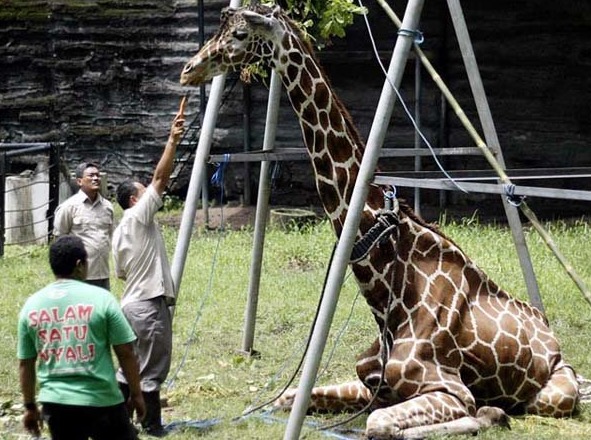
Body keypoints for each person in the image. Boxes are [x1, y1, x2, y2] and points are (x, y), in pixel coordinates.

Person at [17, 235, 145, 440]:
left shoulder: (31, 306)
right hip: (102, 400)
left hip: (56, 404)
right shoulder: (103, 299)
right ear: (79, 265)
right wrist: (137, 395)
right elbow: (126, 352)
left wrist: (30, 407)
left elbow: (25, 363)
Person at [112, 97, 186, 437]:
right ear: (133, 200)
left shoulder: (119, 231)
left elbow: (122, 273)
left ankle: (117, 423)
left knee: (128, 369)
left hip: (128, 304)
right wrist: (172, 139)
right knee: (152, 369)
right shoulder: (138, 216)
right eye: (143, 193)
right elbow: (160, 177)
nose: (151, 195)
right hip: (148, 306)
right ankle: (153, 427)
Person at [53, 162, 114, 290]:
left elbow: (109, 236)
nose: (96, 178)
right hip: (78, 275)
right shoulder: (69, 207)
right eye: (91, 175)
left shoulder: (107, 207)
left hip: (102, 272)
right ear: (79, 181)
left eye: (97, 175)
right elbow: (59, 241)